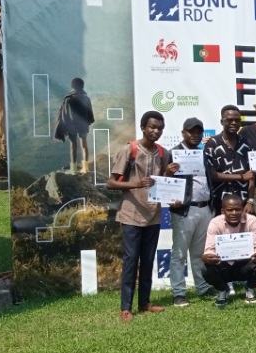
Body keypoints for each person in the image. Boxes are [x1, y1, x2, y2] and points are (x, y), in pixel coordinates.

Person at [106, 111, 172, 322]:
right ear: (143, 127)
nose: (156, 131)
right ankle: (126, 307)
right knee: (131, 260)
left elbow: (162, 183)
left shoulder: (164, 153)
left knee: (148, 260)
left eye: (160, 128)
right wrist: (135, 183)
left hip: (153, 214)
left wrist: (169, 174)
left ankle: (144, 302)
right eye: (152, 127)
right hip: (131, 215)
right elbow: (111, 182)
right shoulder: (130, 149)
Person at [166, 117, 214, 307]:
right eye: (190, 131)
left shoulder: (203, 155)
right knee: (179, 254)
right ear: (183, 133)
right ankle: (179, 292)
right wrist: (168, 174)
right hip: (185, 210)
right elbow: (162, 182)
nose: (195, 135)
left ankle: (202, 287)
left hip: (205, 208)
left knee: (199, 253)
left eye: (198, 132)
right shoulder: (173, 154)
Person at [201, 194, 256, 307]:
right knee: (205, 268)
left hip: (245, 264)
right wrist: (207, 256)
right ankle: (223, 291)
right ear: (223, 211)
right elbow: (210, 249)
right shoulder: (215, 223)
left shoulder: (251, 220)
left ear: (243, 209)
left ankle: (250, 288)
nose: (234, 213)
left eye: (238, 209)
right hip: (224, 265)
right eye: (230, 210)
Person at [205, 105, 255, 216]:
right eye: (229, 120)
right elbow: (212, 175)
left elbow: (252, 175)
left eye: (237, 120)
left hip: (242, 201)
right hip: (219, 202)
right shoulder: (212, 143)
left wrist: (250, 201)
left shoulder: (247, 143)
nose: (234, 123)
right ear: (222, 121)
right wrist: (241, 177)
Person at [54, 77, 94, 174]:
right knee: (84, 144)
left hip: (71, 126)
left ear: (73, 86)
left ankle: (74, 169)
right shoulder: (86, 98)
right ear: (82, 86)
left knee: (73, 146)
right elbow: (89, 113)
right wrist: (88, 122)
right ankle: (85, 168)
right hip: (83, 125)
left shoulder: (68, 100)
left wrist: (64, 127)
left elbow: (64, 115)